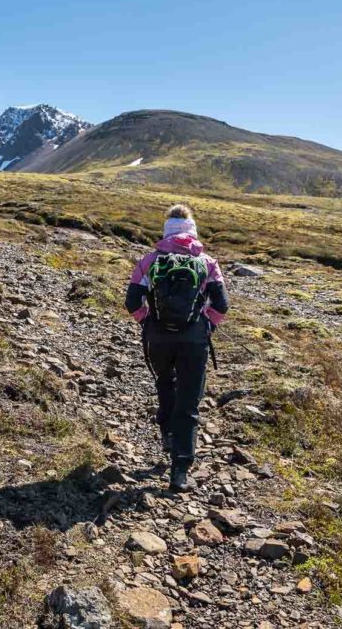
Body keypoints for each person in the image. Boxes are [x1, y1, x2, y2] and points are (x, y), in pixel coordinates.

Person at [125, 204, 228, 492]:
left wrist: (147, 322)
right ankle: (179, 470)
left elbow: (133, 303)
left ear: (166, 229)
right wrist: (207, 326)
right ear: (192, 230)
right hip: (194, 339)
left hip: (158, 337)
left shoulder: (148, 261)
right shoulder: (208, 263)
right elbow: (221, 305)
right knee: (189, 400)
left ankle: (167, 432)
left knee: (165, 382)